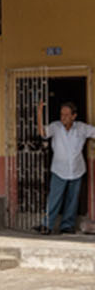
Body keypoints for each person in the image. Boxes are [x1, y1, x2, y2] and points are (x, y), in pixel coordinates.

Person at [35, 99, 95, 234]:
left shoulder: (81, 127)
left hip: (77, 170)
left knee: (72, 200)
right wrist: (39, 113)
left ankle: (67, 226)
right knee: (54, 199)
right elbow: (42, 133)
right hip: (59, 169)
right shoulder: (55, 127)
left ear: (74, 116)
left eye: (67, 115)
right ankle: (47, 225)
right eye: (62, 114)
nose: (63, 118)